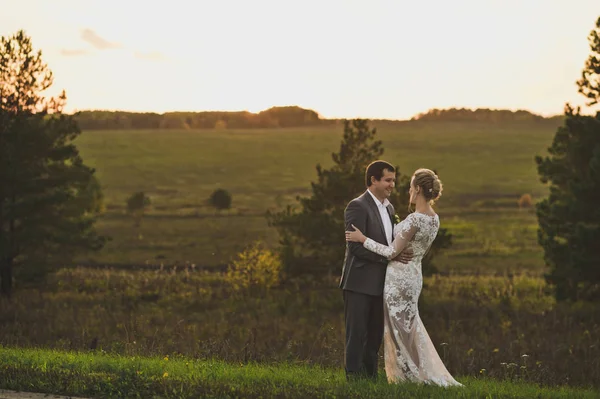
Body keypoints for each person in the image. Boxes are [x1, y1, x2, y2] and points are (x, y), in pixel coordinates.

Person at [345, 168, 463, 387]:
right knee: (408, 327)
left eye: (410, 186)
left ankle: (409, 377)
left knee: (399, 329)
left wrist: (363, 239)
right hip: (414, 276)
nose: (406, 189)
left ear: (417, 189)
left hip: (399, 278)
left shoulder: (415, 219)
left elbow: (391, 252)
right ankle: (415, 372)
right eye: (389, 180)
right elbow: (417, 250)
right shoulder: (434, 219)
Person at [339, 160, 413, 381]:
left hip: (382, 283)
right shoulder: (357, 206)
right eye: (388, 180)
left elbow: (389, 243)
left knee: (374, 335)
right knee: (357, 333)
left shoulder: (389, 208)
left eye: (393, 180)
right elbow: (355, 248)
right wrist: (390, 256)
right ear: (373, 180)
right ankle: (353, 378)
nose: (392, 185)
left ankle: (370, 377)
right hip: (359, 283)